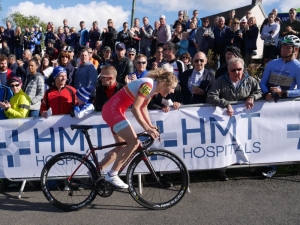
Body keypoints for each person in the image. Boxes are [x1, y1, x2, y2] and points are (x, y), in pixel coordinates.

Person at [98, 69, 178, 188]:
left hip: (112, 110)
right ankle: (112, 174)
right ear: (165, 84)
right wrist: (148, 128)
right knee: (134, 142)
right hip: (114, 111)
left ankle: (96, 170)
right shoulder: (148, 85)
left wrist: (150, 126)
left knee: (121, 146)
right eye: (172, 88)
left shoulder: (153, 88)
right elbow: (135, 108)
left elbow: (143, 107)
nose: (172, 91)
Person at [207, 57, 262, 180]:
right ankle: (221, 169)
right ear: (228, 69)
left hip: (244, 119)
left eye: (239, 69)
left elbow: (259, 91)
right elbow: (211, 96)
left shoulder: (250, 80)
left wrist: (252, 97)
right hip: (226, 119)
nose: (237, 72)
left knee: (246, 141)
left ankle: (247, 165)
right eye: (234, 70)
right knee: (225, 144)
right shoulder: (220, 80)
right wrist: (225, 103)